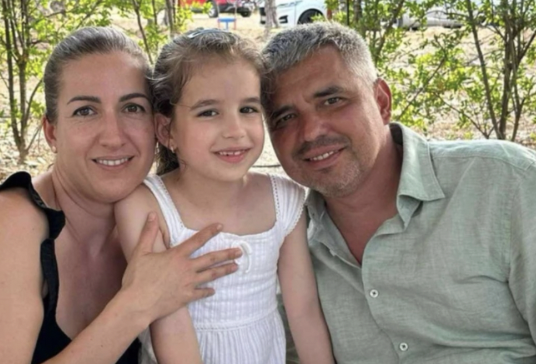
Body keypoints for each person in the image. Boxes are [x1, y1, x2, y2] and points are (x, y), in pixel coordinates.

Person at [260, 21, 536, 364]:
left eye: (332, 100)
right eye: (285, 118)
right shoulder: (284, 243)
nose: (311, 131)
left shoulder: (503, 183)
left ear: (381, 101)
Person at [0, 26, 243, 364]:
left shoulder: (161, 217)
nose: (113, 137)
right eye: (85, 111)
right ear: (52, 132)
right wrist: (138, 303)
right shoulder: (13, 222)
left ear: (158, 127)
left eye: (132, 108)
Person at [113, 27, 335, 364]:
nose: (235, 130)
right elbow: (169, 324)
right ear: (166, 129)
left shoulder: (285, 200)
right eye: (209, 112)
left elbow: (303, 310)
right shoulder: (146, 206)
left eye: (247, 109)